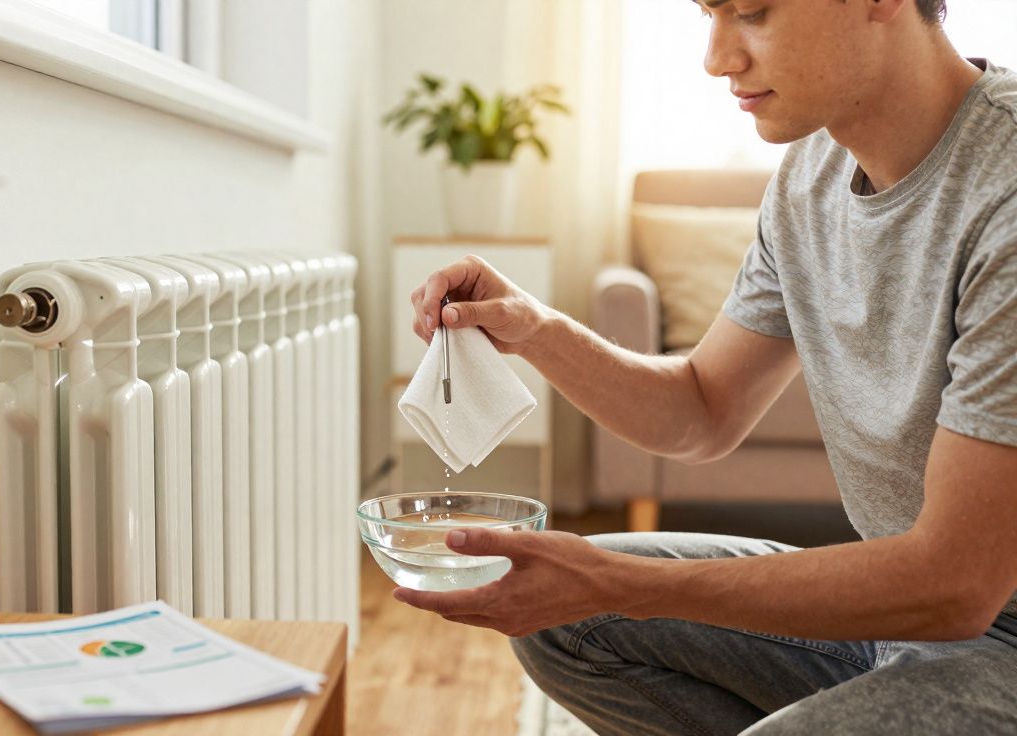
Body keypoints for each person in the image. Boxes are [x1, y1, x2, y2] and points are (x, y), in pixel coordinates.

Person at [399, 1, 1017, 733]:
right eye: (711, 14)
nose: (718, 57)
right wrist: (533, 329)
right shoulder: (810, 175)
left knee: (604, 589)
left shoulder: (1002, 185)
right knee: (567, 617)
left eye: (753, 11)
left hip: (987, 634)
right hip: (903, 625)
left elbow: (956, 585)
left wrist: (626, 584)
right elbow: (701, 411)